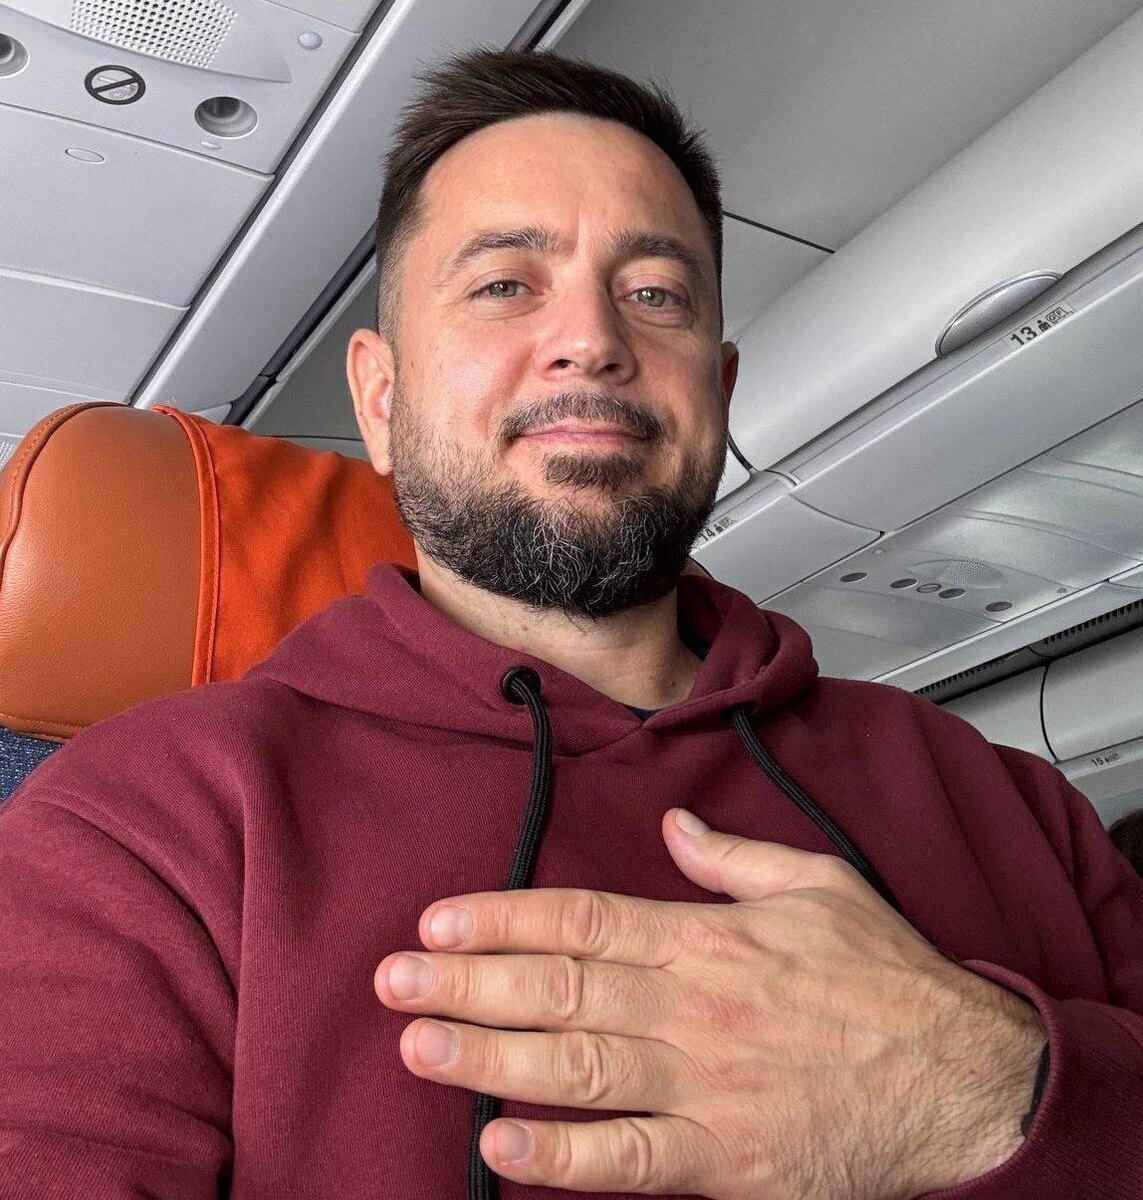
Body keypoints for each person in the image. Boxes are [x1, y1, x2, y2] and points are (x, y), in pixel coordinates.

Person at [0, 48, 1140, 1200]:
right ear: (382, 399)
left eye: (655, 294)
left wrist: (992, 1088)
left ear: (719, 390)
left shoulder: (1006, 797)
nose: (592, 338)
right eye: (505, 284)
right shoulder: (142, 822)